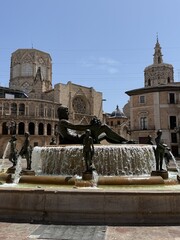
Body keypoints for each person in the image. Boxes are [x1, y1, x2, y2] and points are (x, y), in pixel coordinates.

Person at [57, 106, 127, 144]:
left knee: (105, 135)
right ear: (62, 113)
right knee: (104, 127)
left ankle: (121, 142)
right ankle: (124, 141)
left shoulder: (61, 123)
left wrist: (91, 127)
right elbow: (76, 127)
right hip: (81, 139)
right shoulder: (62, 121)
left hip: (82, 138)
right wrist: (91, 126)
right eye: (66, 111)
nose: (68, 113)